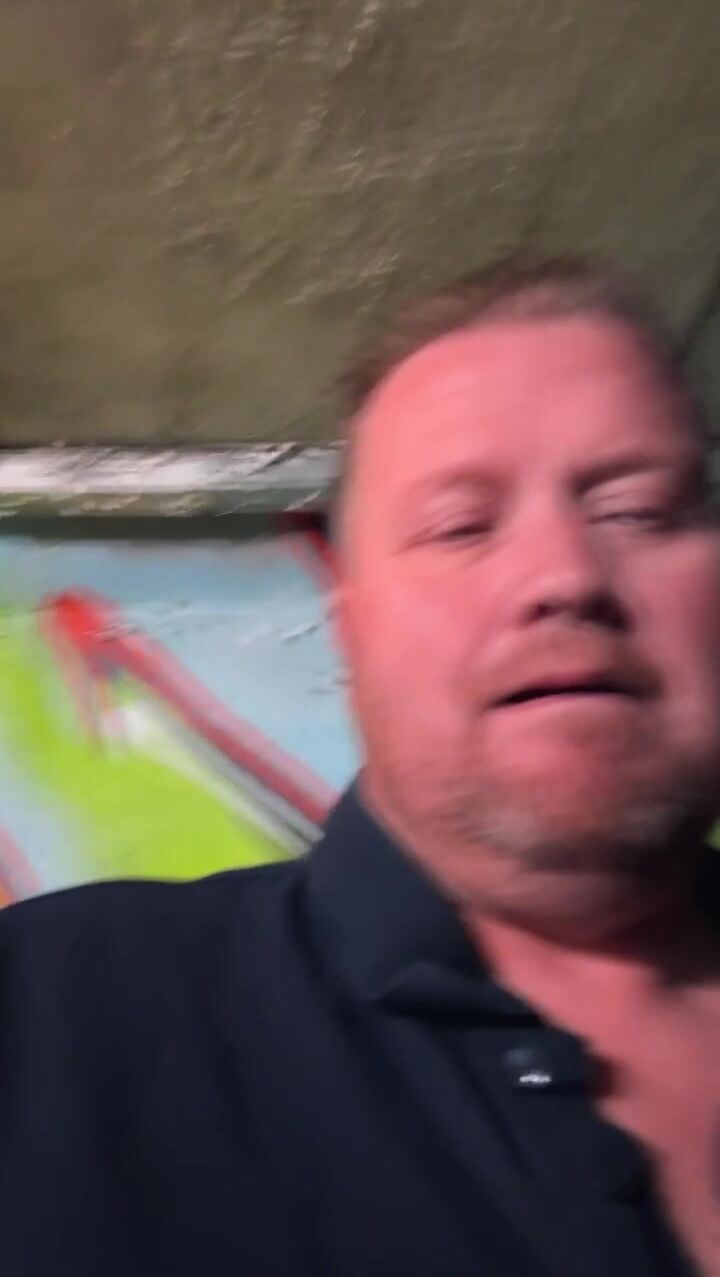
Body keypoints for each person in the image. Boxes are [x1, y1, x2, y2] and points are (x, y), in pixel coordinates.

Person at [1, 259, 718, 1277]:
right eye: (462, 525)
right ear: (352, 630)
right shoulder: (51, 1025)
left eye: (637, 509)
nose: (564, 575)